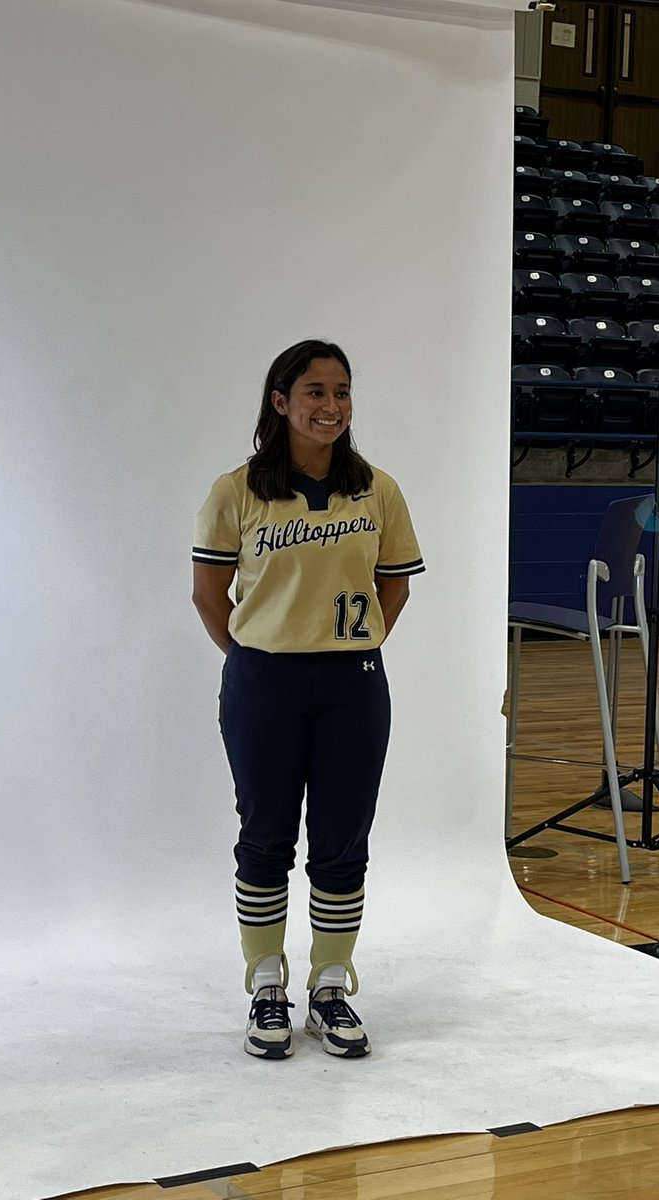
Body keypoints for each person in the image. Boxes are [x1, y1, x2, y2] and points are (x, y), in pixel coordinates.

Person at [192, 339, 424, 1060]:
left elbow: (397, 583)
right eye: (316, 392)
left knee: (343, 838)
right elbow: (208, 595)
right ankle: (266, 985)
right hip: (264, 681)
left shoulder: (376, 488)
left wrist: (349, 643)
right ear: (281, 401)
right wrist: (257, 659)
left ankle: (330, 986)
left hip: (353, 683)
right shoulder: (238, 490)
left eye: (343, 392)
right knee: (265, 836)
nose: (331, 406)